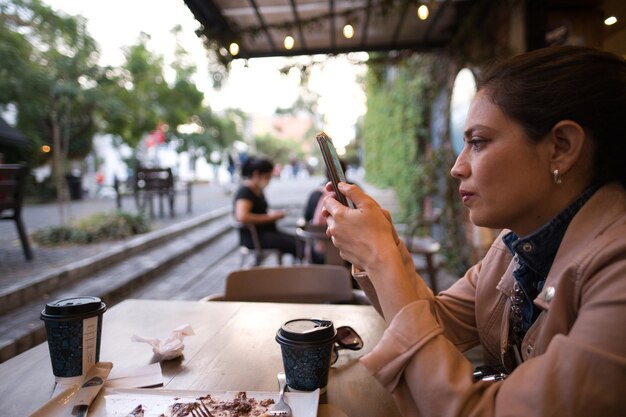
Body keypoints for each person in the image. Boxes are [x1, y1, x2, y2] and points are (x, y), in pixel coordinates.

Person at [322, 46, 626, 416]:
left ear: (561, 147)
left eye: (478, 142)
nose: (457, 167)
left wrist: (380, 257)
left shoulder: (616, 268)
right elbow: (436, 321)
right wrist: (382, 249)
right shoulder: (515, 246)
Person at [234, 156, 297, 259]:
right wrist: (272, 217)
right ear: (256, 174)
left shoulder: (258, 190)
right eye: (267, 176)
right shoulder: (245, 191)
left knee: (298, 241)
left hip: (266, 233)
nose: (269, 180)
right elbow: (242, 216)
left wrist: (273, 214)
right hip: (255, 237)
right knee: (297, 244)